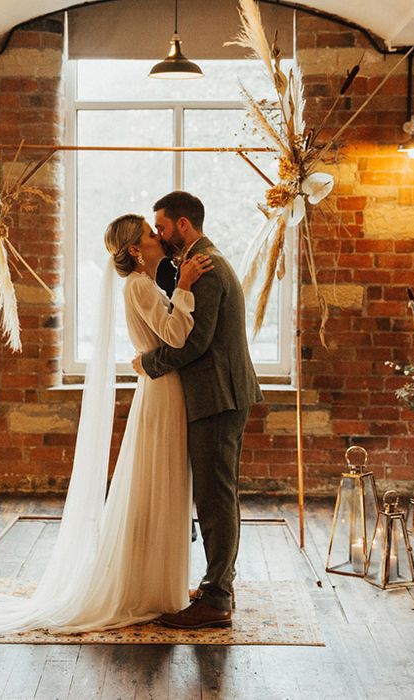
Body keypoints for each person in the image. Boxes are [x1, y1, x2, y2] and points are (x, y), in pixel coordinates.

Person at [0, 214, 212, 634]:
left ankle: (158, 582)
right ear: (135, 249)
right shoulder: (138, 286)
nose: (158, 239)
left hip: (161, 388)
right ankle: (148, 587)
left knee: (160, 483)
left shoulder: (143, 285)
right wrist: (185, 289)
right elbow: (174, 336)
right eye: (151, 235)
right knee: (158, 481)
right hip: (162, 390)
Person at [132, 191, 262, 630]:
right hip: (220, 393)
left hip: (217, 395)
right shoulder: (200, 262)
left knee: (214, 496)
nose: (160, 235)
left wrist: (148, 364)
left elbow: (193, 342)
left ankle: (217, 599)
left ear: (183, 225)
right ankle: (218, 583)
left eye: (162, 227)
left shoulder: (204, 268)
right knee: (217, 492)